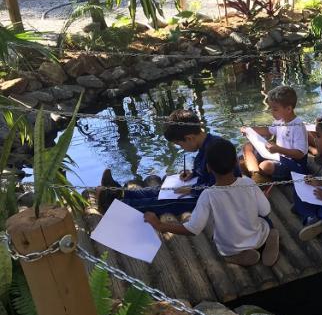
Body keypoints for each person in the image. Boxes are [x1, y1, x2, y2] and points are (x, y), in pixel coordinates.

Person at [143, 138, 279, 267]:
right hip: (257, 237)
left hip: (231, 247)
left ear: (208, 167)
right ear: (236, 163)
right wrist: (261, 197)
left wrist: (160, 225)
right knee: (266, 223)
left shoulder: (207, 195)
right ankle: (266, 239)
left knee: (224, 244)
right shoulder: (248, 183)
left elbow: (193, 229)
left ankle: (234, 256)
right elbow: (265, 211)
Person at [97, 109, 241, 215]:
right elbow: (206, 172)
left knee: (164, 202)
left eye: (180, 144)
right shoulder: (207, 143)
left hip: (211, 198)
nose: (182, 148)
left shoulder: (215, 148)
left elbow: (220, 183)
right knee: (158, 191)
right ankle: (118, 192)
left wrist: (192, 190)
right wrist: (192, 174)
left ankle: (116, 206)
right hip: (199, 186)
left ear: (189, 138)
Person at [241, 86, 309, 182]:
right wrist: (249, 130)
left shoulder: (297, 126)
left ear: (289, 109)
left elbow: (299, 154)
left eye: (275, 109)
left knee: (265, 166)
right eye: (271, 108)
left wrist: (278, 149)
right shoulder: (280, 121)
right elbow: (268, 130)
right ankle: (256, 175)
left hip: (294, 164)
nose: (271, 112)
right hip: (277, 155)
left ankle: (258, 177)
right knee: (247, 146)